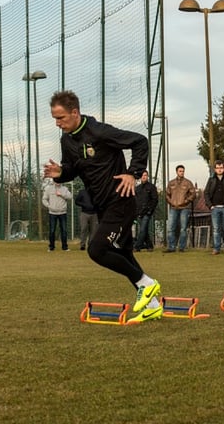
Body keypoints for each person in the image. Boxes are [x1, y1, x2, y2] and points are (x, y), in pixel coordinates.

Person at [43, 90, 162, 323]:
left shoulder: (99, 131)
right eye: (55, 119)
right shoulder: (66, 140)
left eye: (61, 118)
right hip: (102, 205)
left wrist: (132, 173)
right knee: (123, 254)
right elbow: (72, 168)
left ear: (74, 112)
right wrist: (60, 174)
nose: (57, 123)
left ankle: (148, 284)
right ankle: (153, 305)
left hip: (121, 201)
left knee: (97, 250)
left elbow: (140, 141)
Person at [204, 161, 224, 255]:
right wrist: (210, 206)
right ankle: (216, 248)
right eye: (218, 168)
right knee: (216, 229)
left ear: (223, 168)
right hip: (215, 208)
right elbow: (206, 193)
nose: (220, 169)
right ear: (215, 169)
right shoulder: (211, 179)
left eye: (221, 167)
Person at [165, 165, 196, 252]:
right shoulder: (171, 183)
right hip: (173, 208)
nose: (181, 172)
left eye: (183, 171)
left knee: (183, 228)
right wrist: (171, 202)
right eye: (180, 171)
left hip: (184, 208)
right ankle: (171, 247)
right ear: (176, 172)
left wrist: (186, 201)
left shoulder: (188, 183)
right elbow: (167, 194)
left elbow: (193, 194)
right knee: (171, 228)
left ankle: (182, 247)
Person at [42, 179, 72, 251]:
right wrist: (49, 206)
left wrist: (61, 194)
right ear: (54, 181)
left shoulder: (65, 189)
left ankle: (65, 247)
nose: (58, 182)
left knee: (64, 230)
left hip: (63, 213)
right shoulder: (49, 189)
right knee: (52, 230)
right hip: (52, 213)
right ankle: (51, 247)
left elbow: (70, 197)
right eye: (56, 181)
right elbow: (44, 199)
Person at [134, 170, 158, 252]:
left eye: (145, 175)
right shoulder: (137, 188)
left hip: (147, 213)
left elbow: (154, 200)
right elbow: (135, 201)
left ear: (147, 176)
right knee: (144, 230)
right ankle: (149, 246)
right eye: (142, 175)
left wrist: (150, 210)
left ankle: (137, 246)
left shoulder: (151, 187)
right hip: (139, 212)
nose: (144, 177)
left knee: (142, 230)